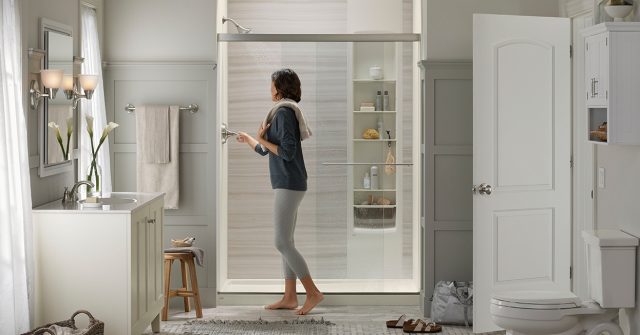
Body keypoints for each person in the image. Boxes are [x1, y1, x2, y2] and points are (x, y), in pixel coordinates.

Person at [236, 68, 323, 315]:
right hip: (288, 182)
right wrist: (251, 140)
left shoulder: (284, 112)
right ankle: (290, 296)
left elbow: (286, 152)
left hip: (289, 183)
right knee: (287, 241)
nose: (269, 87)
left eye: (271, 84)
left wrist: (261, 138)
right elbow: (267, 151)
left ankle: (313, 293)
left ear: (279, 87)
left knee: (281, 241)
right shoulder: (282, 112)